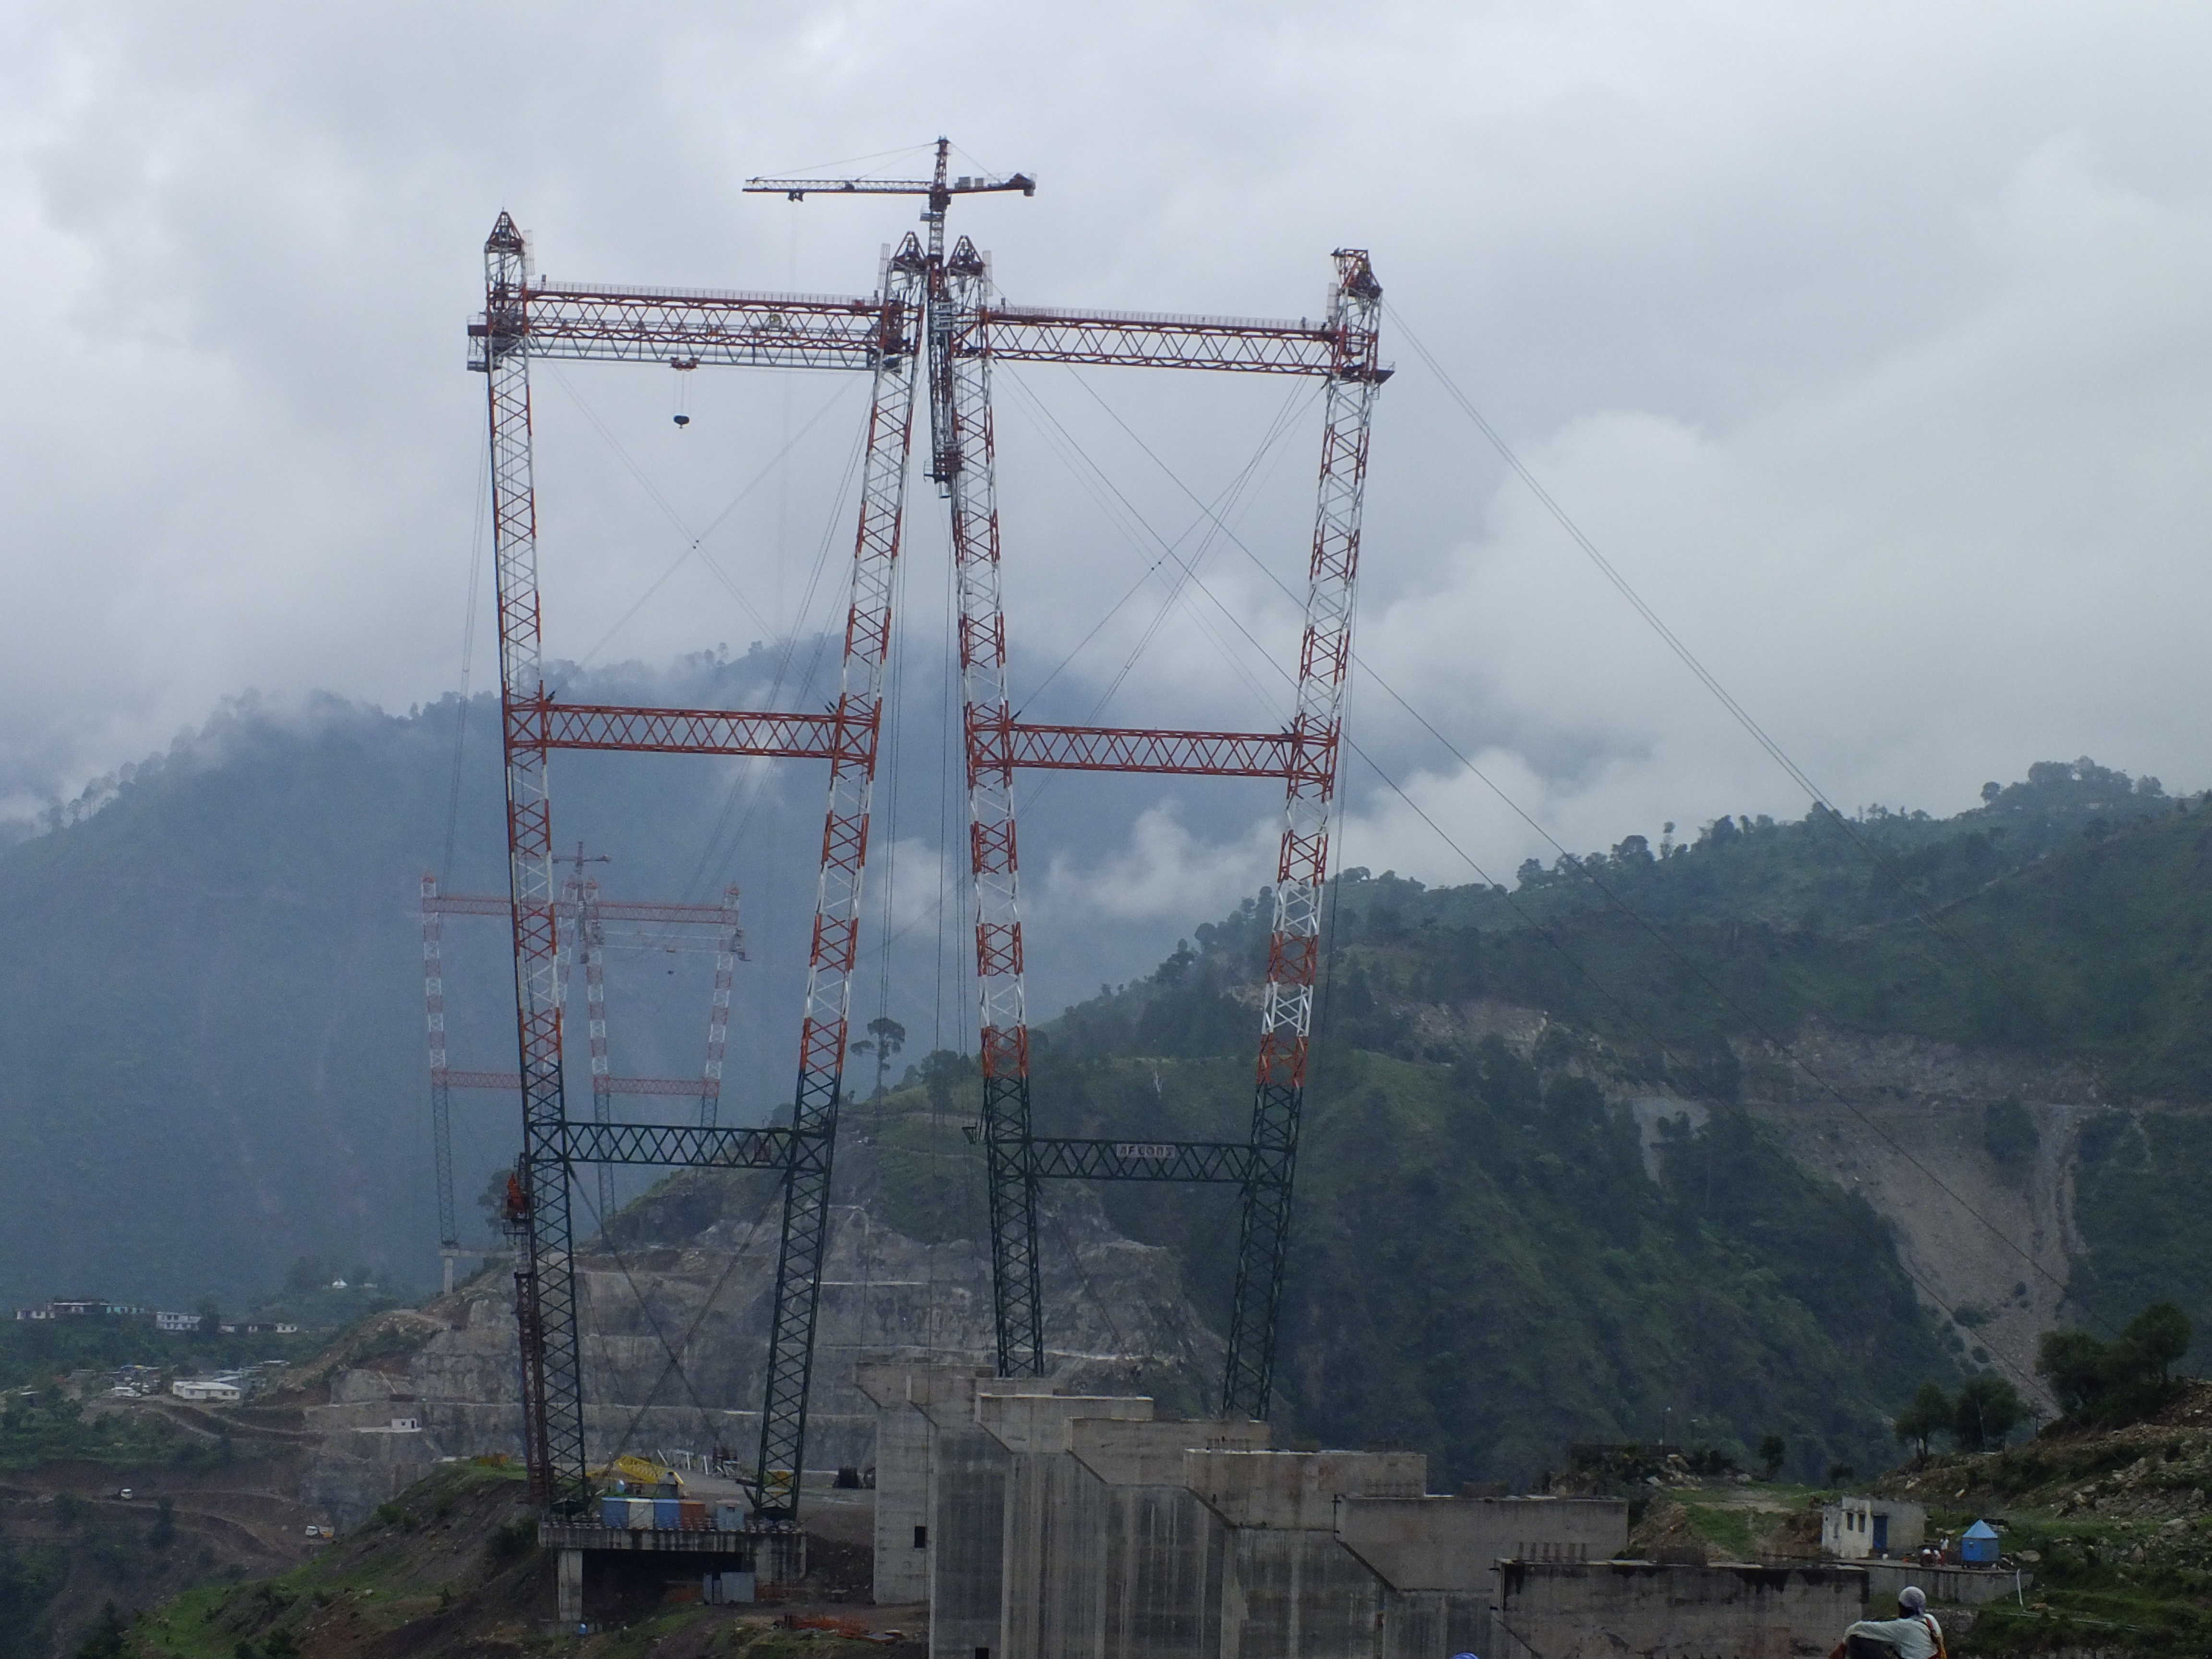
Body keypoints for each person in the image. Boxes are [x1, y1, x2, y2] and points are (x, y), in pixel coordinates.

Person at [1828, 1585, 1945, 1659]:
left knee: (1856, 1640)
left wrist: (1843, 1646)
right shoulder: (1931, 1621)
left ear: (1901, 1607)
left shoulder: (1904, 1628)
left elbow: (1857, 1628)